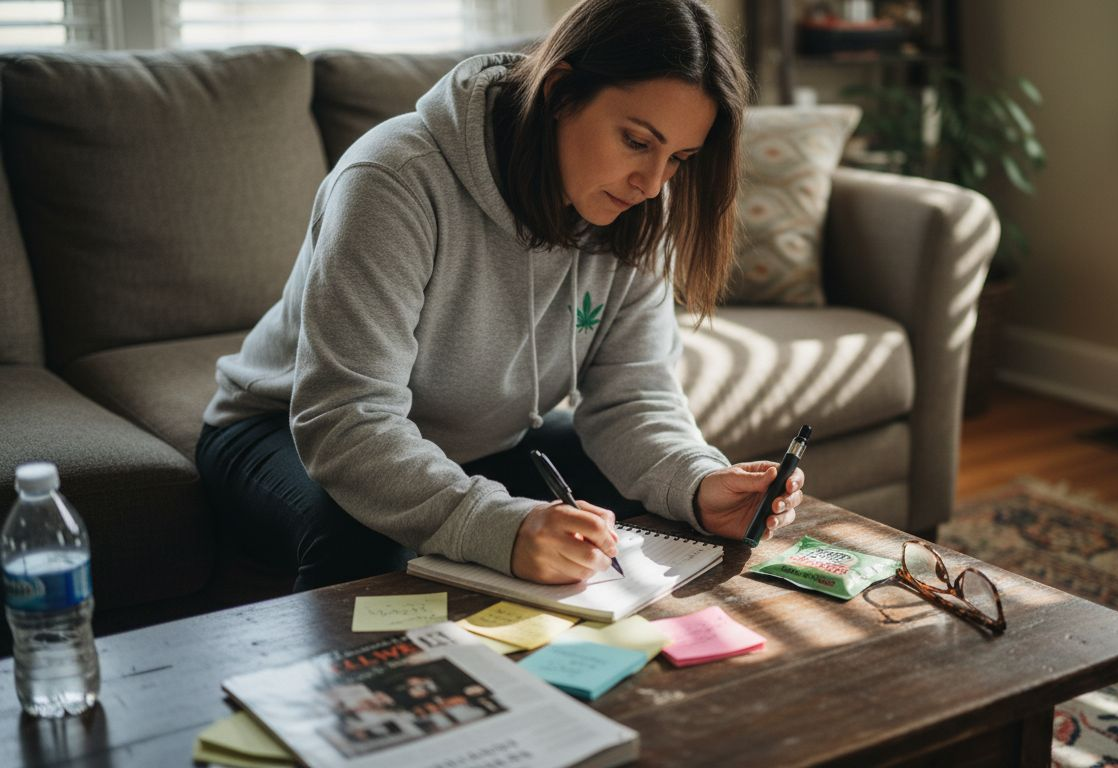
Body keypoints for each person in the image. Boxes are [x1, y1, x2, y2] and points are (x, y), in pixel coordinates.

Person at [196, 0, 805, 592]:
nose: (651, 183)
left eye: (678, 159)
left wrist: (698, 484)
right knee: (360, 536)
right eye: (637, 141)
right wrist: (499, 527)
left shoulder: (637, 208)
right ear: (560, 92)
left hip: (480, 443)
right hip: (284, 428)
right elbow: (346, 420)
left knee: (651, 510)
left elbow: (634, 395)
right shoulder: (393, 179)